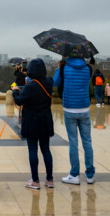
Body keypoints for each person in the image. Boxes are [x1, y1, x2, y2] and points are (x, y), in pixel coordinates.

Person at [12, 58, 54, 189]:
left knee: (32, 150)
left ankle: (35, 180)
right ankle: (49, 179)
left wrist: (15, 91)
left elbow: (19, 101)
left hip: (32, 122)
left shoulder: (30, 86)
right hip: (45, 120)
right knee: (46, 150)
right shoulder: (49, 82)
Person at [54, 56, 95, 185]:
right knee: (87, 142)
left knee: (73, 142)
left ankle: (74, 174)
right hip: (84, 108)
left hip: (70, 109)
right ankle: (90, 174)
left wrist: (58, 68)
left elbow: (55, 83)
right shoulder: (88, 68)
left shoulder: (64, 68)